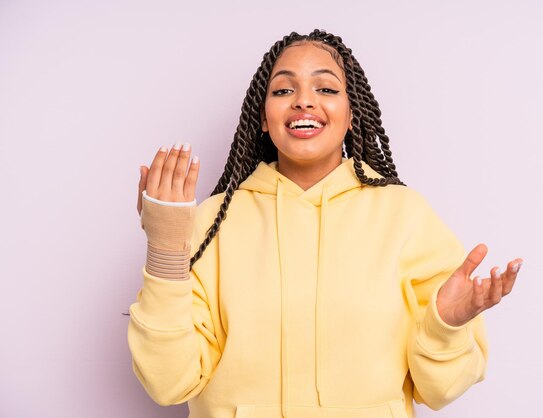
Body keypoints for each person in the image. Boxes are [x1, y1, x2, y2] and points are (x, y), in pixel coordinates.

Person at [128, 29, 522, 418]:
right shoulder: (212, 222)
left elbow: (440, 390)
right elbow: (170, 382)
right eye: (283, 91)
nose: (303, 102)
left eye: (326, 90)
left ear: (352, 114)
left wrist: (446, 327)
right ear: (263, 118)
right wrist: (165, 248)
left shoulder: (405, 216)